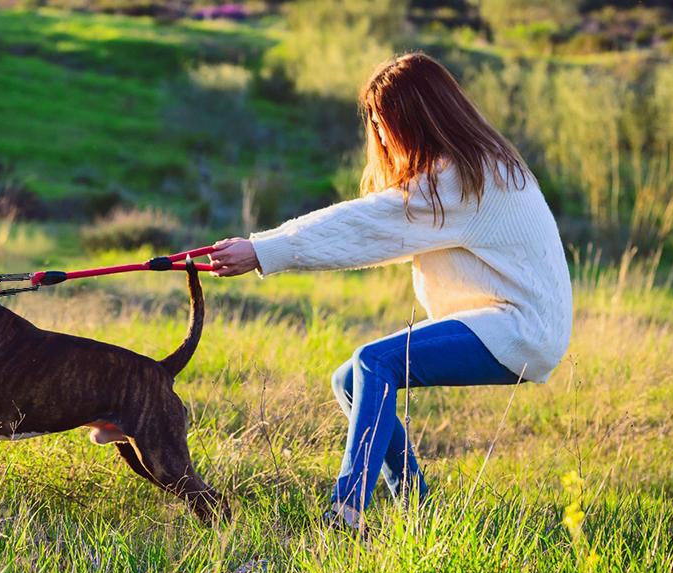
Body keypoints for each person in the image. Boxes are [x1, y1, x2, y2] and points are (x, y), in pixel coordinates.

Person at [208, 53, 573, 532]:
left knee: (373, 361)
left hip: (521, 327)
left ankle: (347, 510)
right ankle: (418, 509)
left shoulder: (462, 179)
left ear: (415, 118)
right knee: (350, 380)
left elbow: (362, 224)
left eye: (384, 123)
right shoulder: (469, 167)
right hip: (506, 319)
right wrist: (263, 249)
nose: (379, 136)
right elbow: (372, 224)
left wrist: (261, 250)